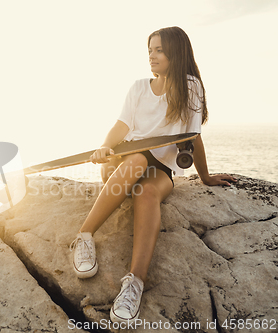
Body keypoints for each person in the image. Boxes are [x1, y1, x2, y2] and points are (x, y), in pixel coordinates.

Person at [69, 26, 236, 323]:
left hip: (160, 169)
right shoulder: (138, 87)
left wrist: (206, 177)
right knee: (134, 162)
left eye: (159, 50)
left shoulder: (190, 86)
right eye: (149, 50)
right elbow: (121, 125)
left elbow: (192, 136)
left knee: (147, 193)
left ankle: (134, 282)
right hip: (125, 160)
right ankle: (83, 236)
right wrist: (105, 146)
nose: (152, 56)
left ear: (177, 51)